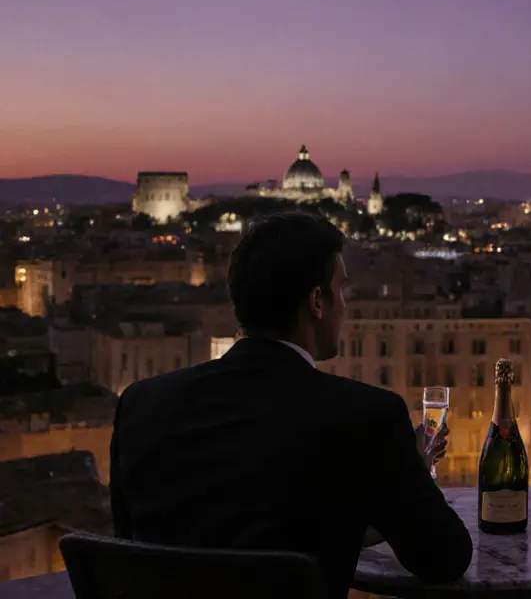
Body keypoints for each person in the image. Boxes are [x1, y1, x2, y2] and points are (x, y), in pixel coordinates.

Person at [110, 212, 472, 598]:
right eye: (341, 290)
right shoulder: (368, 417)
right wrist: (409, 469)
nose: (344, 306)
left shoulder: (140, 405)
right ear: (317, 301)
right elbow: (444, 557)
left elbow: (147, 544)